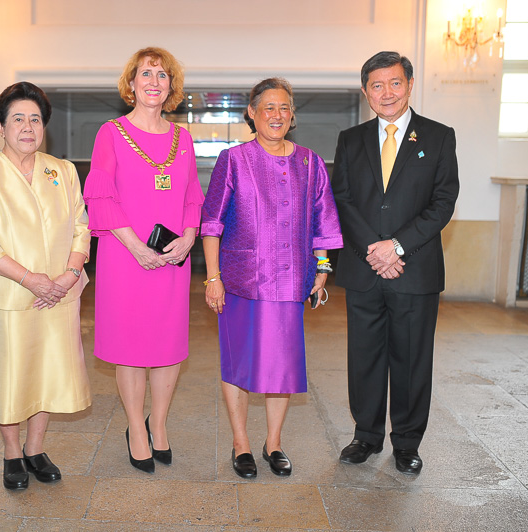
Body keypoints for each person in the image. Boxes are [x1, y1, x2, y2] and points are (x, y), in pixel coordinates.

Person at [201, 78, 343, 479]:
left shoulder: (310, 163)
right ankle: (241, 443)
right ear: (252, 112)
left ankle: (274, 443)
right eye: (268, 107)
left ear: (292, 114)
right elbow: (211, 223)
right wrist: (212, 277)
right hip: (241, 280)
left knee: (283, 366)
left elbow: (323, 222)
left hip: (291, 280)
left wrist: (322, 269)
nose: (277, 115)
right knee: (238, 363)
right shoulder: (234, 159)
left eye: (284, 107)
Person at [0, 82, 92, 490]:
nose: (28, 127)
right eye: (18, 118)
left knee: (48, 371)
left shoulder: (62, 171)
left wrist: (69, 276)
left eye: (35, 119)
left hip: (59, 294)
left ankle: (36, 448)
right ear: (0, 126)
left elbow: (82, 227)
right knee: (10, 375)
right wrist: (30, 279)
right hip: (6, 294)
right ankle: (12, 452)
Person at [331, 51, 459, 475]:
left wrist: (398, 247)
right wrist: (376, 250)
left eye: (395, 83)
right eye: (377, 85)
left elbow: (443, 202)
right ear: (365, 91)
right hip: (364, 268)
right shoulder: (351, 140)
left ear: (410, 84)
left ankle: (406, 442)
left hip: (415, 270)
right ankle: (365, 436)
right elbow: (342, 199)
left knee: (412, 360)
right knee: (364, 358)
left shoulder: (438, 137)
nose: (387, 92)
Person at [83, 47, 204, 473]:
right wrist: (135, 246)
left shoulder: (183, 138)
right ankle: (136, 427)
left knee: (168, 347)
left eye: (162, 75)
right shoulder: (111, 133)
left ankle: (160, 423)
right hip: (124, 257)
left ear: (172, 87)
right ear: (131, 83)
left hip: (171, 259)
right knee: (130, 347)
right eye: (146, 74)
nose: (154, 82)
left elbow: (192, 196)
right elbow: (101, 195)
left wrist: (189, 237)